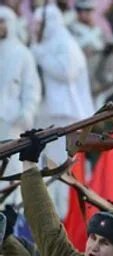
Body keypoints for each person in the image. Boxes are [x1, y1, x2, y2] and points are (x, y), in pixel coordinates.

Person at [29, 4, 94, 177]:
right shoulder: (41, 45)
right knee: (46, 163)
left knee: (61, 164)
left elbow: (67, 72)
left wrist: (41, 56)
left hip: (65, 112)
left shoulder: (65, 43)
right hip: (47, 112)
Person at [0, 5, 41, 210]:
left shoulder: (22, 54)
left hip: (12, 123)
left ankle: (12, 211)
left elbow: (31, 88)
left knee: (13, 169)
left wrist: (26, 113)